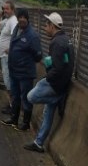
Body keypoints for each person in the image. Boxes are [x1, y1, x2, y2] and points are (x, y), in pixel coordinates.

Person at [24, 12, 74, 153]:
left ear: (52, 26)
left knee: (31, 97)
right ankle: (39, 143)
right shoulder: (66, 40)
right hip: (62, 83)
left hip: (55, 84)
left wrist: (49, 77)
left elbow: (58, 68)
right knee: (48, 112)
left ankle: (58, 98)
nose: (45, 28)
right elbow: (65, 61)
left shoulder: (56, 42)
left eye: (46, 25)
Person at [1, 8, 42, 131]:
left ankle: (25, 123)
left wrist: (26, 61)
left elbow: (38, 55)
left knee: (26, 98)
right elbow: (14, 45)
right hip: (14, 71)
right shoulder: (16, 29)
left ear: (27, 19)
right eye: (20, 17)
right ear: (18, 18)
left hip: (25, 73)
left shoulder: (32, 35)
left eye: (24, 17)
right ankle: (14, 119)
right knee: (15, 96)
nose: (22, 19)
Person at [0, 1, 18, 114]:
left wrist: (11, 49)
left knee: (9, 82)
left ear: (12, 10)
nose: (5, 11)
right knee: (7, 81)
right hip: (4, 56)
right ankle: (11, 104)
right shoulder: (7, 20)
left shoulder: (13, 21)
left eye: (7, 9)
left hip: (7, 57)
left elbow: (16, 35)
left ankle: (12, 106)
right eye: (4, 9)